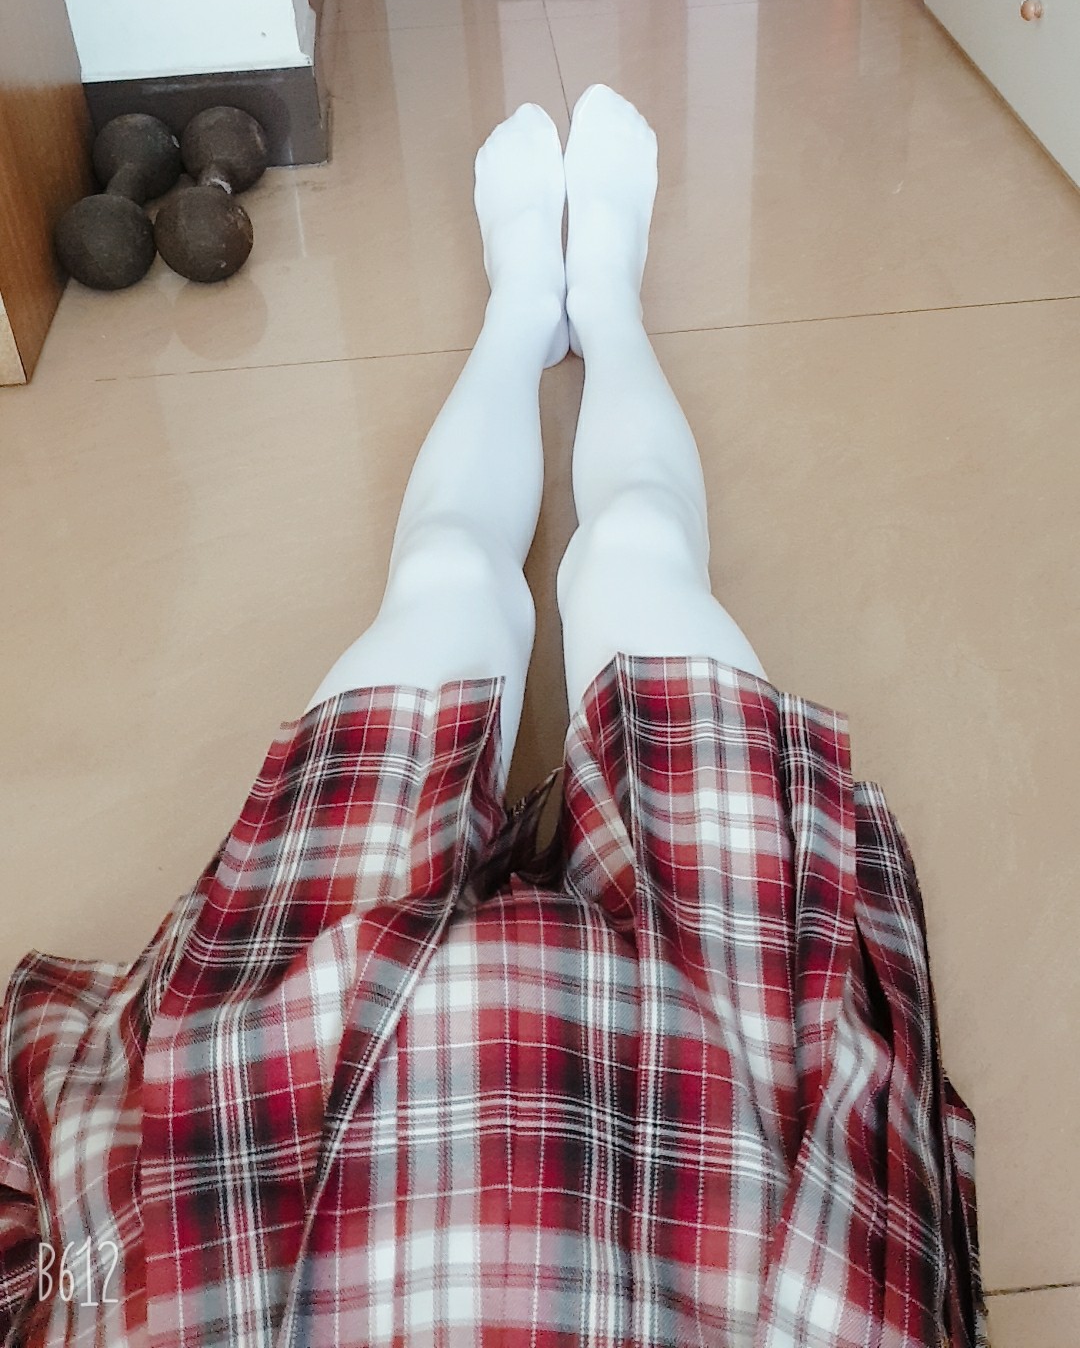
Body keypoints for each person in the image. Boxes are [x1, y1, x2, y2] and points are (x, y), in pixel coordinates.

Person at [0, 89, 985, 1347]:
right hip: (729, 1187)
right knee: (635, 557)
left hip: (274, 1169)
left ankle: (532, 309)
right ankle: (595, 305)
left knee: (450, 582)